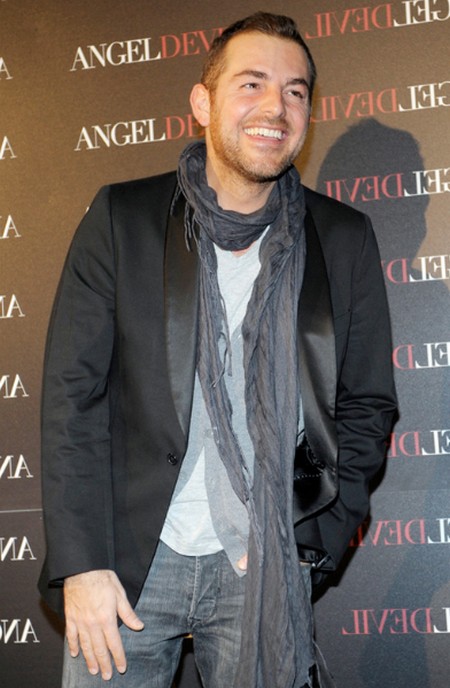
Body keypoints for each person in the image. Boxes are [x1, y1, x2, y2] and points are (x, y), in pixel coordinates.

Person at [39, 11, 397, 688]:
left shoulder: (342, 237)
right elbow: (72, 401)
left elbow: (367, 404)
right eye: (252, 83)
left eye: (295, 91)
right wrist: (82, 564)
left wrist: (310, 544)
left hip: (265, 562)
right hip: (130, 563)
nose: (276, 107)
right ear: (203, 103)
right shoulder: (123, 219)